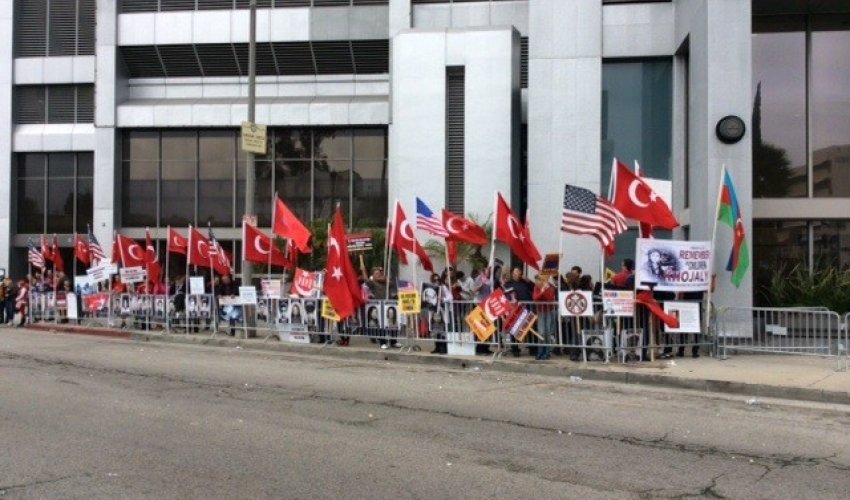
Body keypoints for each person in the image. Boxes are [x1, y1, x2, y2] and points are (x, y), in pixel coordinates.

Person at [502, 267, 534, 356]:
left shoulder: (525, 282)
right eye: (517, 271)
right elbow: (505, 294)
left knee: (529, 328)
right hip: (515, 310)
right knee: (514, 329)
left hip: (527, 308)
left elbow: (534, 288)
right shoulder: (509, 284)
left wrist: (528, 280)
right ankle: (515, 349)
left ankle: (533, 349)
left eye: (520, 271)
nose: (519, 272)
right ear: (513, 273)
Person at [533, 274, 557, 360]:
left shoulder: (550, 287)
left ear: (542, 280)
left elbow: (550, 299)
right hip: (541, 312)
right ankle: (540, 351)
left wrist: (545, 290)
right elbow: (535, 298)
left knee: (547, 332)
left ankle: (547, 351)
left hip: (549, 311)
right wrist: (542, 291)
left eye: (538, 280)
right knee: (541, 332)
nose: (536, 282)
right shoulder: (536, 288)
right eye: (536, 280)